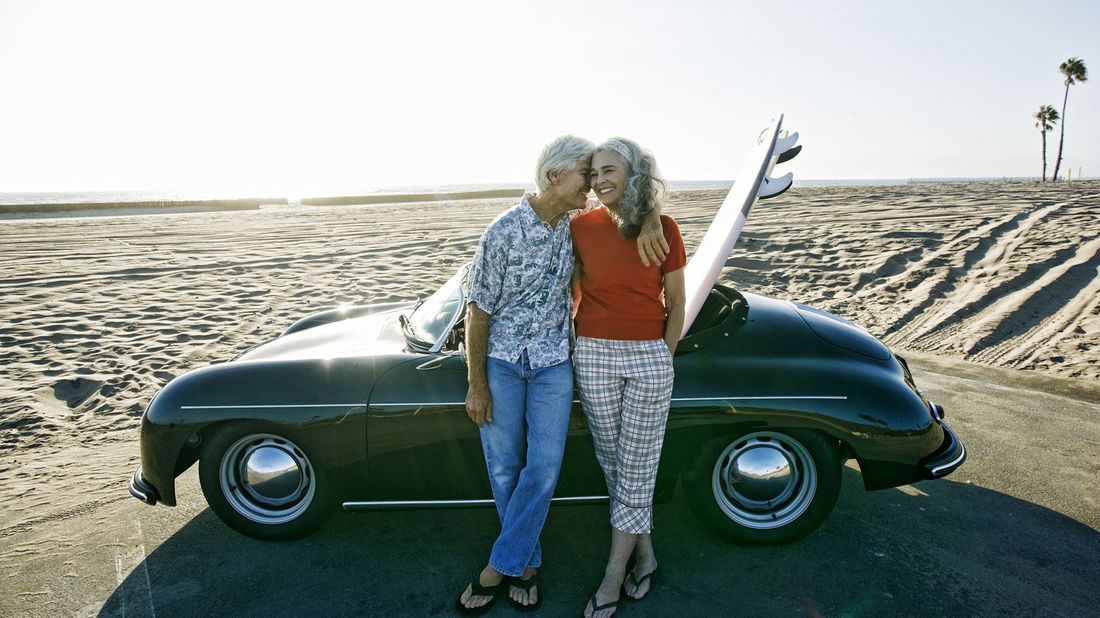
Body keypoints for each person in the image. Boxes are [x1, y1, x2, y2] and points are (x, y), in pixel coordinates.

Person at [457, 136, 669, 614]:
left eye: (596, 176)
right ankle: (526, 564)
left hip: (555, 363)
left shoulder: (575, 224)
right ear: (555, 176)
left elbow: (631, 208)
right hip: (503, 364)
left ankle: (499, 566)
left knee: (545, 467)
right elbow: (477, 310)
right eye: (584, 175)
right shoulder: (502, 231)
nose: (592, 186)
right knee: (505, 466)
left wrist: (652, 215)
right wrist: (477, 382)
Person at [572, 138, 686, 618]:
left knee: (636, 467)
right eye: (594, 172)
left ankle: (612, 578)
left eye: (609, 170)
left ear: (634, 172)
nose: (600, 181)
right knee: (616, 464)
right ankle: (646, 554)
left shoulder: (664, 229)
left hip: (649, 359)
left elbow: (677, 303)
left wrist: (664, 355)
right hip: (593, 354)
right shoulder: (579, 227)